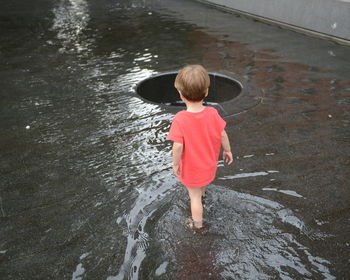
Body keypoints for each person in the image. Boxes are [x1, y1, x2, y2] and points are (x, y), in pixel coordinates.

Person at [167, 65, 233, 230]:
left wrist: (175, 164)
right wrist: (227, 150)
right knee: (200, 189)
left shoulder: (180, 119)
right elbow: (223, 134)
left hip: (192, 169)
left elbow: (178, 146)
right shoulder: (212, 113)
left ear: (181, 95)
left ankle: (198, 225)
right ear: (206, 93)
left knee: (193, 198)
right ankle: (203, 194)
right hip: (209, 165)